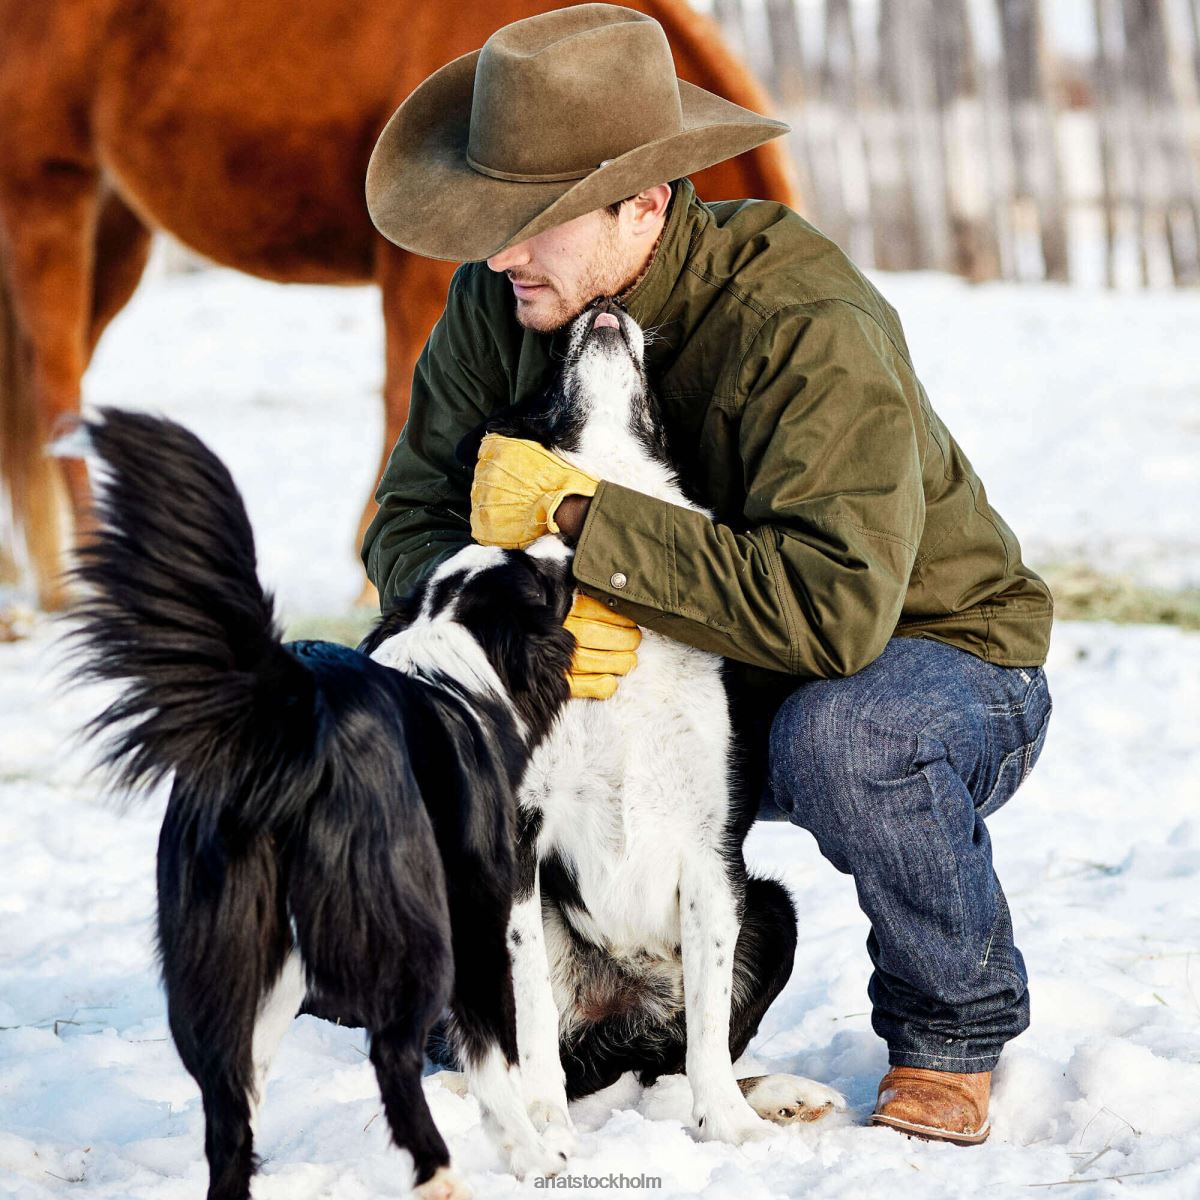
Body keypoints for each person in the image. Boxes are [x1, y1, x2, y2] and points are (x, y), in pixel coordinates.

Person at [361, 3, 1053, 1146]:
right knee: (346, 688)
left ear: (642, 202)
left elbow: (834, 613)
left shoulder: (802, 318)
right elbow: (406, 529)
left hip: (915, 660)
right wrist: (518, 631)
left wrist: (584, 523)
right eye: (490, 218)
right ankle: (488, 1003)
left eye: (529, 221)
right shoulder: (500, 302)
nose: (497, 252)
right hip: (664, 669)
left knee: (846, 736)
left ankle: (952, 1030)